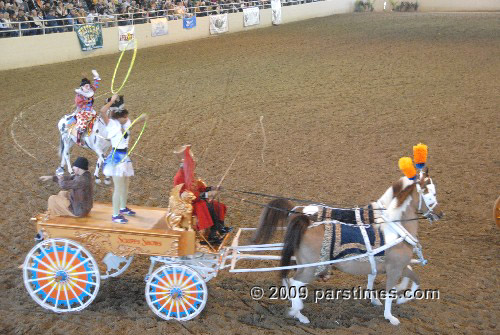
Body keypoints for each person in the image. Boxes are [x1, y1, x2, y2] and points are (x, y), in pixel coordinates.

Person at [172, 145, 230, 244]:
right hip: (189, 204)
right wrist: (207, 195)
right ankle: (212, 234)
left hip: (198, 199)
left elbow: (198, 187)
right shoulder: (179, 177)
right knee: (206, 206)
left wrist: (211, 188)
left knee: (217, 205)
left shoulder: (190, 174)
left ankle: (220, 227)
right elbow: (186, 195)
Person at [100, 94, 138, 223]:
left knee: (126, 184)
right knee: (118, 187)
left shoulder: (125, 122)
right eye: (125, 117)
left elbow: (129, 123)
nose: (127, 118)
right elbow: (102, 111)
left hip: (124, 156)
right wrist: (111, 101)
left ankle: (122, 208)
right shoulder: (111, 124)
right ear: (118, 117)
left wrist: (141, 119)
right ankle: (115, 215)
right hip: (116, 158)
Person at [74, 69, 101, 146]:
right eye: (86, 86)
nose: (88, 87)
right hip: (83, 112)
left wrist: (96, 77)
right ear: (82, 87)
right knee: (82, 124)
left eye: (89, 85)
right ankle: (78, 140)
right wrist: (86, 101)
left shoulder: (90, 91)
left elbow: (95, 85)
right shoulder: (79, 95)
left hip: (91, 111)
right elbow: (78, 103)